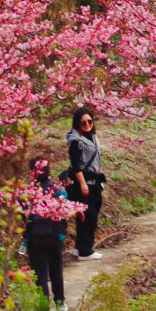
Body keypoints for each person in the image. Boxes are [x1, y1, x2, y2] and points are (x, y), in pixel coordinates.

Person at [22, 154, 72, 311]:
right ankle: (60, 303)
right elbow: (65, 211)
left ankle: (43, 308)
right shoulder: (58, 190)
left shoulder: (26, 192)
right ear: (48, 171)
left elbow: (21, 214)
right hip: (54, 235)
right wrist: (62, 231)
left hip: (34, 236)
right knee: (56, 269)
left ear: (32, 172)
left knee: (40, 273)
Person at [66, 104, 106, 258]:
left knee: (92, 214)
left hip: (95, 181)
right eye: (83, 123)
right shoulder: (76, 141)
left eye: (90, 121)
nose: (88, 125)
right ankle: (85, 250)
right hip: (84, 183)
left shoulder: (93, 137)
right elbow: (76, 165)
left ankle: (81, 246)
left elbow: (96, 158)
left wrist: (100, 174)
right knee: (87, 216)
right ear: (77, 124)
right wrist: (83, 183)